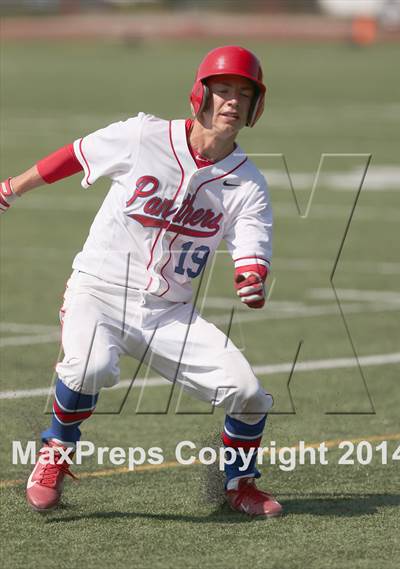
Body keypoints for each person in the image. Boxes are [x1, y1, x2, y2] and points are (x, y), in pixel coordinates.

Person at [1, 46, 282, 518]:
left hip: (168, 311)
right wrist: (11, 186)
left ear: (256, 107)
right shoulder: (143, 135)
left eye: (244, 93)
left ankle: (240, 483)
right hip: (99, 290)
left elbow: (252, 244)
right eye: (224, 90)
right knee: (88, 369)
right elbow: (75, 155)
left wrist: (251, 275)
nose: (232, 101)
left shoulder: (248, 184)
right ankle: (54, 454)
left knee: (248, 393)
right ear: (201, 95)